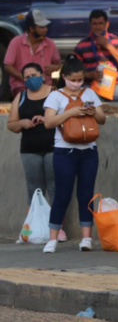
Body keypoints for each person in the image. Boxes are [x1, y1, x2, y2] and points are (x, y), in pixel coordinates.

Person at [42, 55, 106, 253]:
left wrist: (92, 111)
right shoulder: (55, 96)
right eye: (73, 79)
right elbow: (48, 122)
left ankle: (86, 238)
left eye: (80, 80)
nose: (77, 84)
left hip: (89, 151)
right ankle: (52, 238)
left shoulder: (90, 93)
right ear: (64, 77)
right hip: (64, 151)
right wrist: (71, 112)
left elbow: (102, 119)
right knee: (62, 194)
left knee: (86, 195)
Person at [6, 62, 68, 242]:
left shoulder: (55, 93)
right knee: (33, 191)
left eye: (34, 75)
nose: (31, 79)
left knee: (55, 188)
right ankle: (31, 228)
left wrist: (46, 118)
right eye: (26, 77)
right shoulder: (21, 96)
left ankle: (58, 230)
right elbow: (11, 124)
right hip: (29, 150)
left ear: (42, 75)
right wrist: (21, 123)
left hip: (54, 148)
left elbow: (65, 117)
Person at [74, 10, 118, 104]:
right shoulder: (82, 44)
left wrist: (108, 46)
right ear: (90, 25)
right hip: (90, 85)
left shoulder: (116, 41)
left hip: (113, 85)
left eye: (100, 23)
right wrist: (90, 74)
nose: (97, 27)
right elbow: (73, 71)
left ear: (107, 24)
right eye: (94, 24)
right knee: (88, 99)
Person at [3, 10, 61, 98]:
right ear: (31, 28)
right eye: (41, 27)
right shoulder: (16, 42)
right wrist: (25, 78)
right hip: (21, 86)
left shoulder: (50, 43)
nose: (45, 29)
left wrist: (55, 67)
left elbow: (59, 64)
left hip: (45, 86)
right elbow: (7, 66)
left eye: (45, 26)